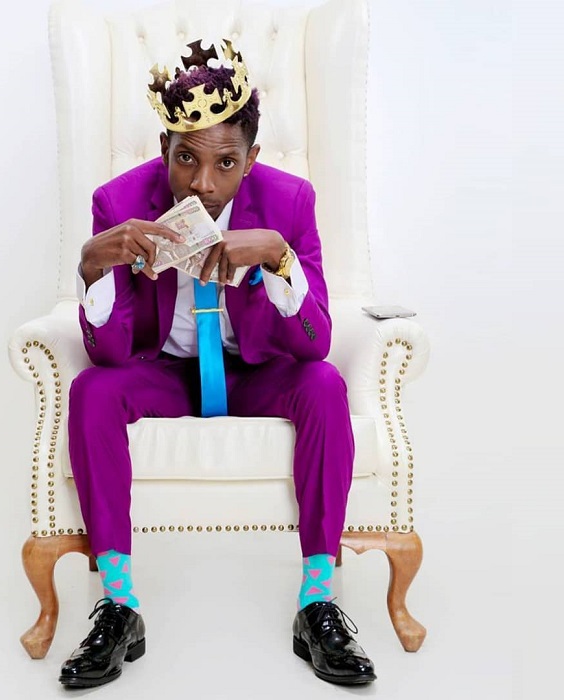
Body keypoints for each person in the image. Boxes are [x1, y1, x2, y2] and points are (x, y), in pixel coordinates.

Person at [59, 39, 377, 689]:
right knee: (93, 389)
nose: (203, 184)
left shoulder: (289, 203)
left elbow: (314, 341)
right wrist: (93, 269)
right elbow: (109, 352)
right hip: (166, 371)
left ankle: (318, 600)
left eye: (226, 163)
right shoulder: (120, 203)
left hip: (255, 370)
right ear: (164, 148)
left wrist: (279, 259)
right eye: (186, 159)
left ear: (251, 160)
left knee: (324, 383)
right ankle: (117, 604)